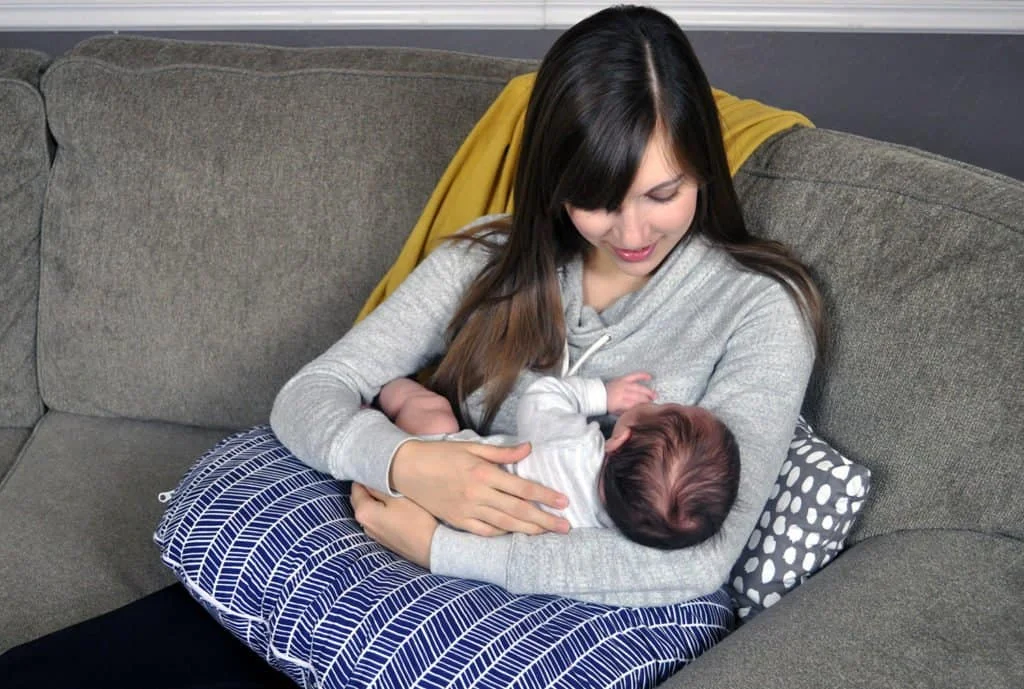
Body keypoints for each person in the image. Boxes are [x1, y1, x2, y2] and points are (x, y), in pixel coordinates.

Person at [270, 4, 824, 607]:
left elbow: (701, 560)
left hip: (529, 613)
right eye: (598, 200)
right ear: (557, 185)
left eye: (662, 193)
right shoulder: (490, 257)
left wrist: (444, 549)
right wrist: (405, 463)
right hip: (383, 563)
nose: (633, 232)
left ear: (704, 167)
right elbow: (310, 393)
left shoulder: (760, 310)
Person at [378, 373, 741, 549]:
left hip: (436, 473)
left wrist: (602, 394)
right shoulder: (601, 534)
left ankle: (382, 396)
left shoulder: (573, 445)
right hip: (449, 533)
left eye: (664, 407)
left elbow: (541, 396)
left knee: (434, 415)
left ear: (622, 437)